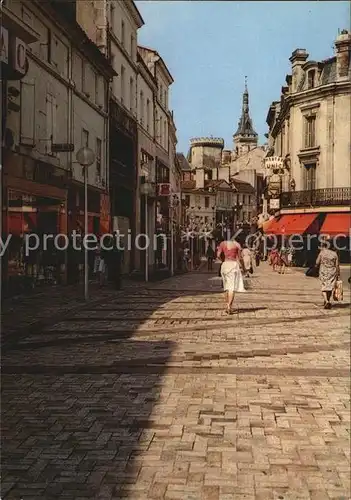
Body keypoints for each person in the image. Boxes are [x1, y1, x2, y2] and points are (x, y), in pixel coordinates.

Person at [216, 237, 245, 315]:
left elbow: (218, 255)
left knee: (226, 287)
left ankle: (227, 305)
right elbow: (240, 258)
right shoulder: (237, 245)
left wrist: (223, 260)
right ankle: (229, 306)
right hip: (233, 265)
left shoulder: (222, 244)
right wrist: (243, 267)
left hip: (225, 265)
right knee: (232, 287)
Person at [316, 240, 340, 309]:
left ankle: (326, 301)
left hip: (323, 271)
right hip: (332, 272)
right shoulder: (335, 254)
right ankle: (328, 300)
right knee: (329, 287)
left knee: (324, 286)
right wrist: (338, 274)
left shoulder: (322, 252)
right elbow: (337, 265)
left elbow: (317, 262)